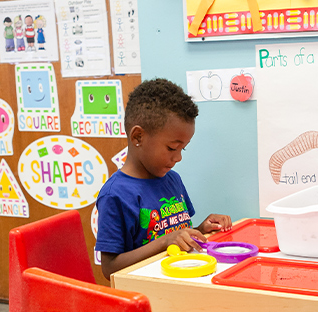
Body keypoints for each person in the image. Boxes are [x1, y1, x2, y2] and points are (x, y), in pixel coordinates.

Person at [95, 78, 232, 279]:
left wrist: (200, 229)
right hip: (148, 295)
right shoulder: (115, 195)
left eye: (182, 148)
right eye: (172, 148)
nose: (178, 158)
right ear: (138, 137)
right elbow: (109, 269)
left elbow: (175, 235)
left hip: (179, 282)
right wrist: (164, 242)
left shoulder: (172, 179)